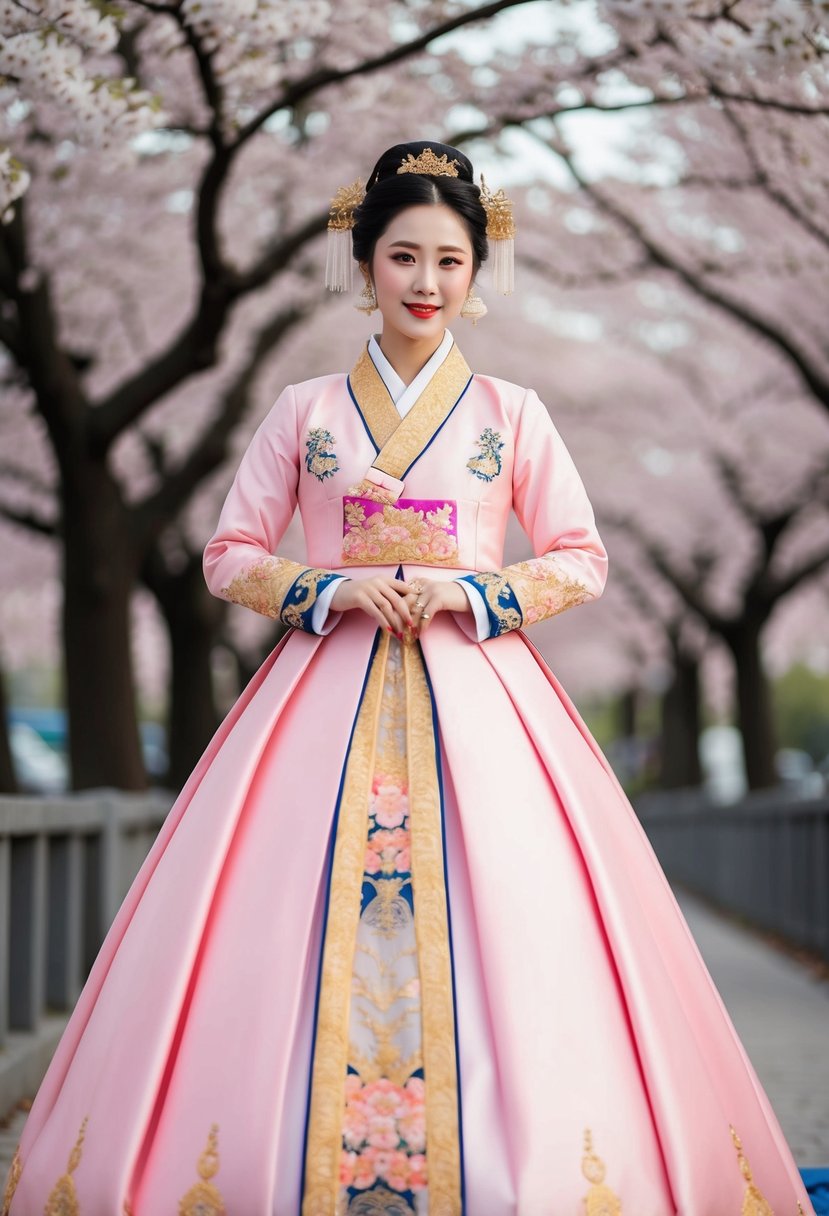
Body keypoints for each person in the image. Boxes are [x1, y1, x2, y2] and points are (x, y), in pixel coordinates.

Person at [2, 140, 815, 1216]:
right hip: (319, 688)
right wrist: (329, 589)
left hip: (480, 690)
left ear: (477, 275)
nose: (425, 283)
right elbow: (230, 553)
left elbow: (580, 554)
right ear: (364, 265)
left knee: (520, 913)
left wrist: (468, 594)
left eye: (448, 260)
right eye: (402, 257)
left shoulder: (511, 414)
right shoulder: (303, 410)